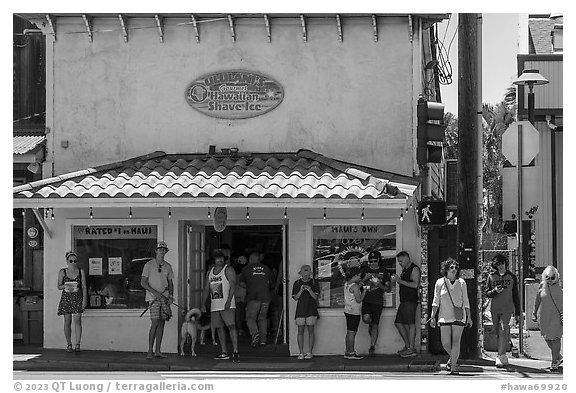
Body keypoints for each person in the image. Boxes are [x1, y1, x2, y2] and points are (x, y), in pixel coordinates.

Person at [430, 258, 472, 374]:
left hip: (459, 316)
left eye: (455, 268)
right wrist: (433, 316)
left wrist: (469, 316)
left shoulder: (462, 282)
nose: (454, 270)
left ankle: (453, 366)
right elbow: (436, 300)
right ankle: (453, 358)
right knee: (445, 342)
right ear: (446, 269)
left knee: (456, 341)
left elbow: (466, 300)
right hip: (444, 316)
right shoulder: (440, 282)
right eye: (451, 268)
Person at [202, 250, 240, 362]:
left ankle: (236, 351)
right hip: (215, 304)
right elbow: (206, 289)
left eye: (222, 258)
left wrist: (229, 301)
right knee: (219, 328)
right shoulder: (210, 272)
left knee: (231, 326)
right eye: (218, 258)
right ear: (213, 260)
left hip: (227, 304)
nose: (220, 260)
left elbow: (233, 284)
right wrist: (203, 303)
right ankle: (224, 351)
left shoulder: (228, 269)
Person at [485, 253, 520, 368]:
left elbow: (516, 295)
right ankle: (503, 355)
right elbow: (487, 293)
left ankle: (500, 355)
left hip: (507, 309)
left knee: (503, 329)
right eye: (498, 265)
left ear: (505, 263)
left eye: (502, 264)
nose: (500, 267)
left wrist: (518, 312)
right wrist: (495, 291)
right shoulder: (491, 277)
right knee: (498, 332)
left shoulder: (512, 276)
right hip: (495, 309)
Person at [140, 241, 174, 359]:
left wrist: (170, 296)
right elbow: (143, 282)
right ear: (156, 251)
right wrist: (155, 293)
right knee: (154, 322)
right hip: (153, 298)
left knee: (162, 323)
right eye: (160, 249)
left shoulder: (168, 266)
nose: (162, 251)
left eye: (164, 250)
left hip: (164, 298)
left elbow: (170, 283)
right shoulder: (148, 265)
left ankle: (158, 350)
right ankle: (150, 351)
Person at [532, 266, 563, 371]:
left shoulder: (559, 288)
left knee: (555, 338)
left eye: (552, 277)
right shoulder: (542, 285)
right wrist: (534, 313)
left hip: (557, 317)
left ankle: (554, 361)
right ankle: (558, 356)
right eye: (547, 277)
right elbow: (537, 300)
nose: (549, 280)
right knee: (547, 338)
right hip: (544, 316)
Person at [239, 251, 273, 346]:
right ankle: (263, 340)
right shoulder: (266, 268)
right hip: (266, 297)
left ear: (250, 259)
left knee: (250, 318)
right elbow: (270, 282)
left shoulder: (246, 269)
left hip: (253, 297)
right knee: (262, 318)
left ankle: (255, 334)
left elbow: (241, 283)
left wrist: (249, 286)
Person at [360, 250, 391, 356]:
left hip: (378, 301)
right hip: (366, 299)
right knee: (366, 319)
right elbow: (356, 285)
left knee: (375, 325)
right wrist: (365, 278)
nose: (372, 263)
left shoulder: (384, 271)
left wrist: (379, 284)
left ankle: (372, 347)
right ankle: (370, 325)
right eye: (370, 261)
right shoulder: (364, 270)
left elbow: (388, 289)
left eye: (374, 261)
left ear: (378, 260)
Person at [391, 251, 421, 358]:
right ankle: (408, 346)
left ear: (408, 258)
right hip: (403, 301)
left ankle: (411, 348)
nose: (400, 264)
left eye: (401, 261)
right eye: (399, 262)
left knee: (410, 323)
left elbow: (415, 284)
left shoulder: (414, 269)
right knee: (398, 323)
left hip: (410, 300)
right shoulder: (405, 270)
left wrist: (399, 280)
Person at [57, 251, 87, 352]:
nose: (73, 263)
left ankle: (78, 344)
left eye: (75, 261)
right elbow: (58, 286)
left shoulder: (80, 271)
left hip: (77, 297)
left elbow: (84, 286)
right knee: (67, 320)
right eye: (71, 261)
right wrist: (65, 286)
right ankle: (69, 344)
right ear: (67, 261)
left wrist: (84, 300)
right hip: (66, 297)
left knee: (77, 320)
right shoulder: (62, 272)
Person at [292, 264, 319, 360]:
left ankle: (310, 352)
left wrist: (310, 290)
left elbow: (316, 297)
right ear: (301, 274)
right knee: (300, 331)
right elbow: (295, 298)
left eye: (308, 275)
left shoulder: (314, 283)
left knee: (311, 330)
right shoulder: (297, 283)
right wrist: (301, 291)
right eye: (304, 275)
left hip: (311, 309)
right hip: (300, 310)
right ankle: (301, 352)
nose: (306, 277)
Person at [343, 267, 365, 360]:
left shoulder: (347, 284)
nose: (360, 277)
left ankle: (347, 351)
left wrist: (359, 285)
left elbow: (352, 290)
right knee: (352, 332)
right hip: (354, 311)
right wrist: (365, 291)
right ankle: (351, 352)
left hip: (348, 310)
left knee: (349, 332)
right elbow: (359, 300)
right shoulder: (355, 286)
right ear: (355, 275)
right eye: (359, 276)